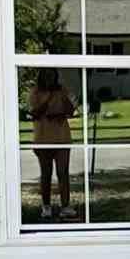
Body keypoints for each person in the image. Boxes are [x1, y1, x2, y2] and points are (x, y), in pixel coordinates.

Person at [28, 70, 77, 218]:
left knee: (63, 173)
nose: (51, 79)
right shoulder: (35, 92)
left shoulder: (62, 90)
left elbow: (70, 111)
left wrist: (65, 100)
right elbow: (35, 113)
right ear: (42, 77)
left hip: (62, 138)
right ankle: (46, 207)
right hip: (43, 139)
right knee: (46, 174)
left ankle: (66, 206)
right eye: (47, 76)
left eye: (53, 76)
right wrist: (49, 97)